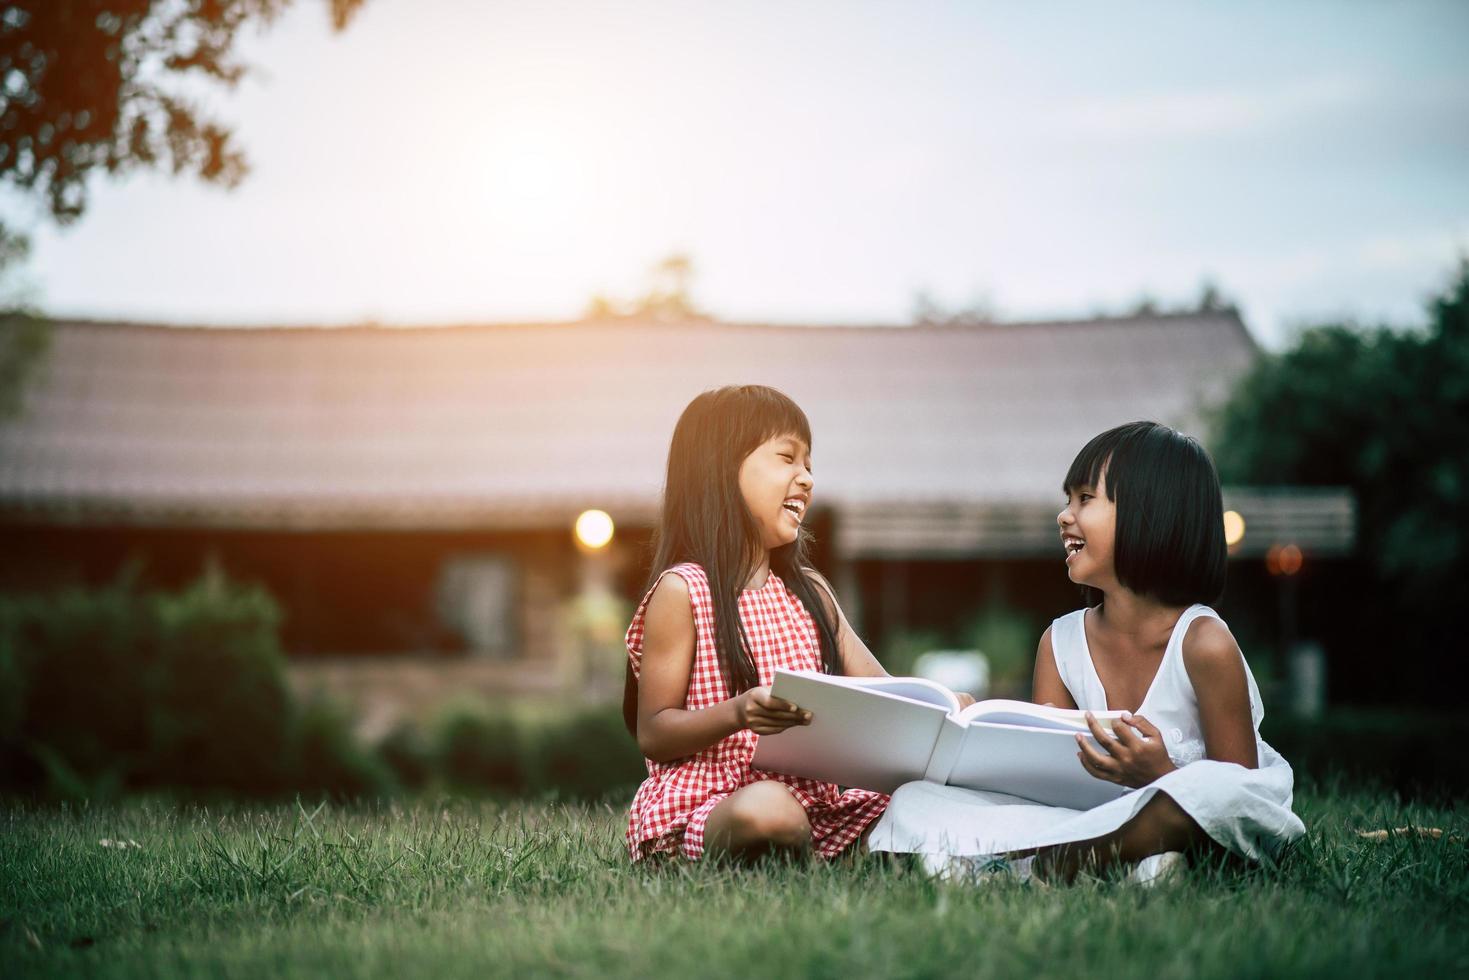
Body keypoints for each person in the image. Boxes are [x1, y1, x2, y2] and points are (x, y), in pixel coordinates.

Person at [867, 421, 1305, 883]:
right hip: (1087, 816)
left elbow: (1236, 792)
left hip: (1181, 810)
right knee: (915, 799)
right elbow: (1040, 782)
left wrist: (1160, 772)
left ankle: (1060, 863)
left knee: (1211, 797)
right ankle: (1129, 860)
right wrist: (982, 738)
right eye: (1067, 499)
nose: (1064, 515)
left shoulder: (1203, 643)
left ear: (1148, 513)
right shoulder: (1060, 643)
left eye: (1084, 499)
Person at [622, 385, 890, 863]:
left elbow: (885, 692)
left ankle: (818, 850)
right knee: (769, 810)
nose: (806, 478)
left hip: (816, 804)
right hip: (714, 801)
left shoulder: (812, 592)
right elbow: (655, 732)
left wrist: (948, 710)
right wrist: (739, 712)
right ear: (721, 472)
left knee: (918, 802)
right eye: (787, 458)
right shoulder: (684, 591)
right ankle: (823, 853)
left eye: (809, 464)